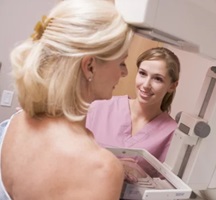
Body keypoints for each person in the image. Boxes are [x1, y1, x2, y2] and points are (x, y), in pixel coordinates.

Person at [0, 0, 133, 199]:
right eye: (121, 62)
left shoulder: (16, 123)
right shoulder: (101, 169)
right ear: (90, 66)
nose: (125, 72)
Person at [86, 47, 180, 178]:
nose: (146, 85)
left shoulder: (172, 133)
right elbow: (71, 155)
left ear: (172, 86)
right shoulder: (100, 107)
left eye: (157, 79)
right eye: (142, 73)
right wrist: (115, 165)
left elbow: (163, 186)